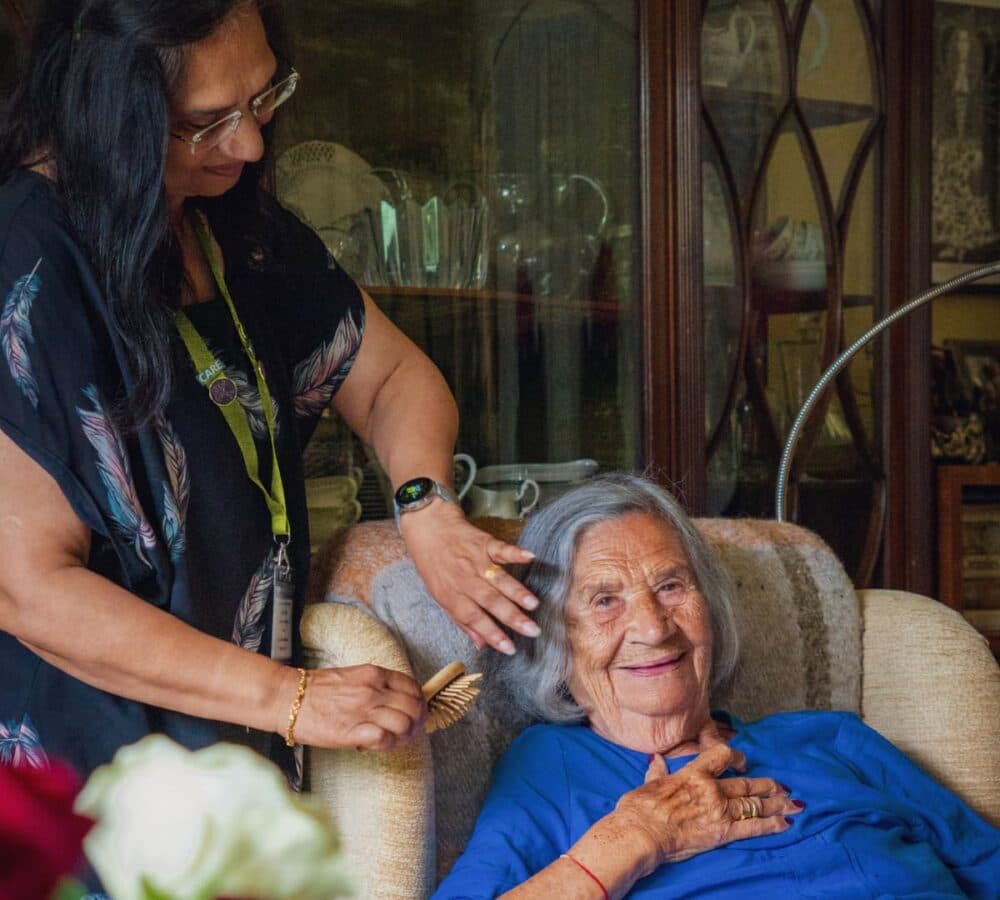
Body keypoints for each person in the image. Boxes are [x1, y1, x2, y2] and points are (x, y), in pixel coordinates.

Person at [0, 0, 542, 808]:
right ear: (104, 110)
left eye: (262, 98)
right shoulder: (27, 262)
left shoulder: (233, 227)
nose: (250, 144)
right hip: (87, 791)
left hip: (238, 763)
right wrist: (289, 698)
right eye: (205, 122)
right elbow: (29, 589)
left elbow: (392, 377)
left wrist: (424, 504)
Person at [435, 473, 1000, 898]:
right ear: (554, 645)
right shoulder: (551, 768)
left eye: (672, 586)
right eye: (606, 601)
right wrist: (635, 838)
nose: (654, 627)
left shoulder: (831, 739)